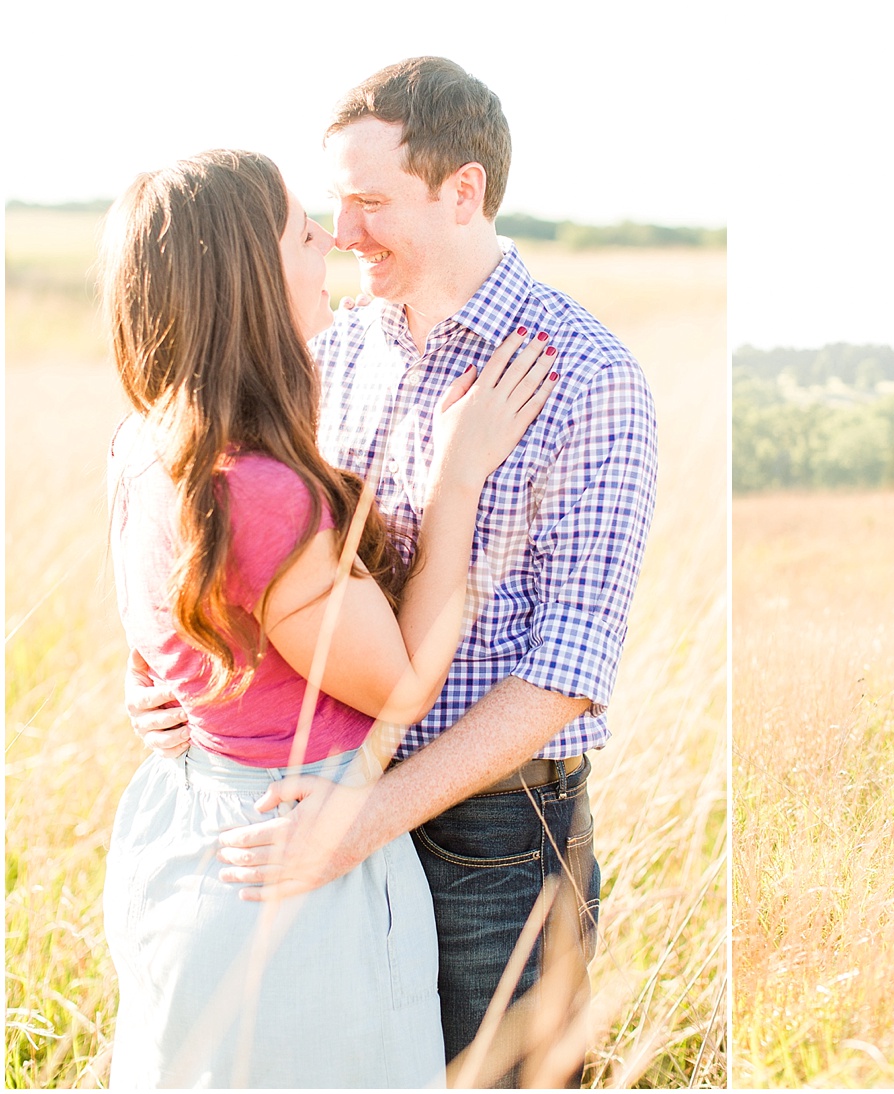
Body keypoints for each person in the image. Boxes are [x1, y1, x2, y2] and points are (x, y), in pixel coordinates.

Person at [127, 57, 658, 1086]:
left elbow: (566, 672)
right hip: (323, 800)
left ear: (462, 191)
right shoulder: (334, 349)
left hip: (491, 834)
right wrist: (171, 682)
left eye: (370, 201)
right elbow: (250, 553)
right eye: (332, 203)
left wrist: (367, 814)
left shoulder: (588, 377)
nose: (342, 231)